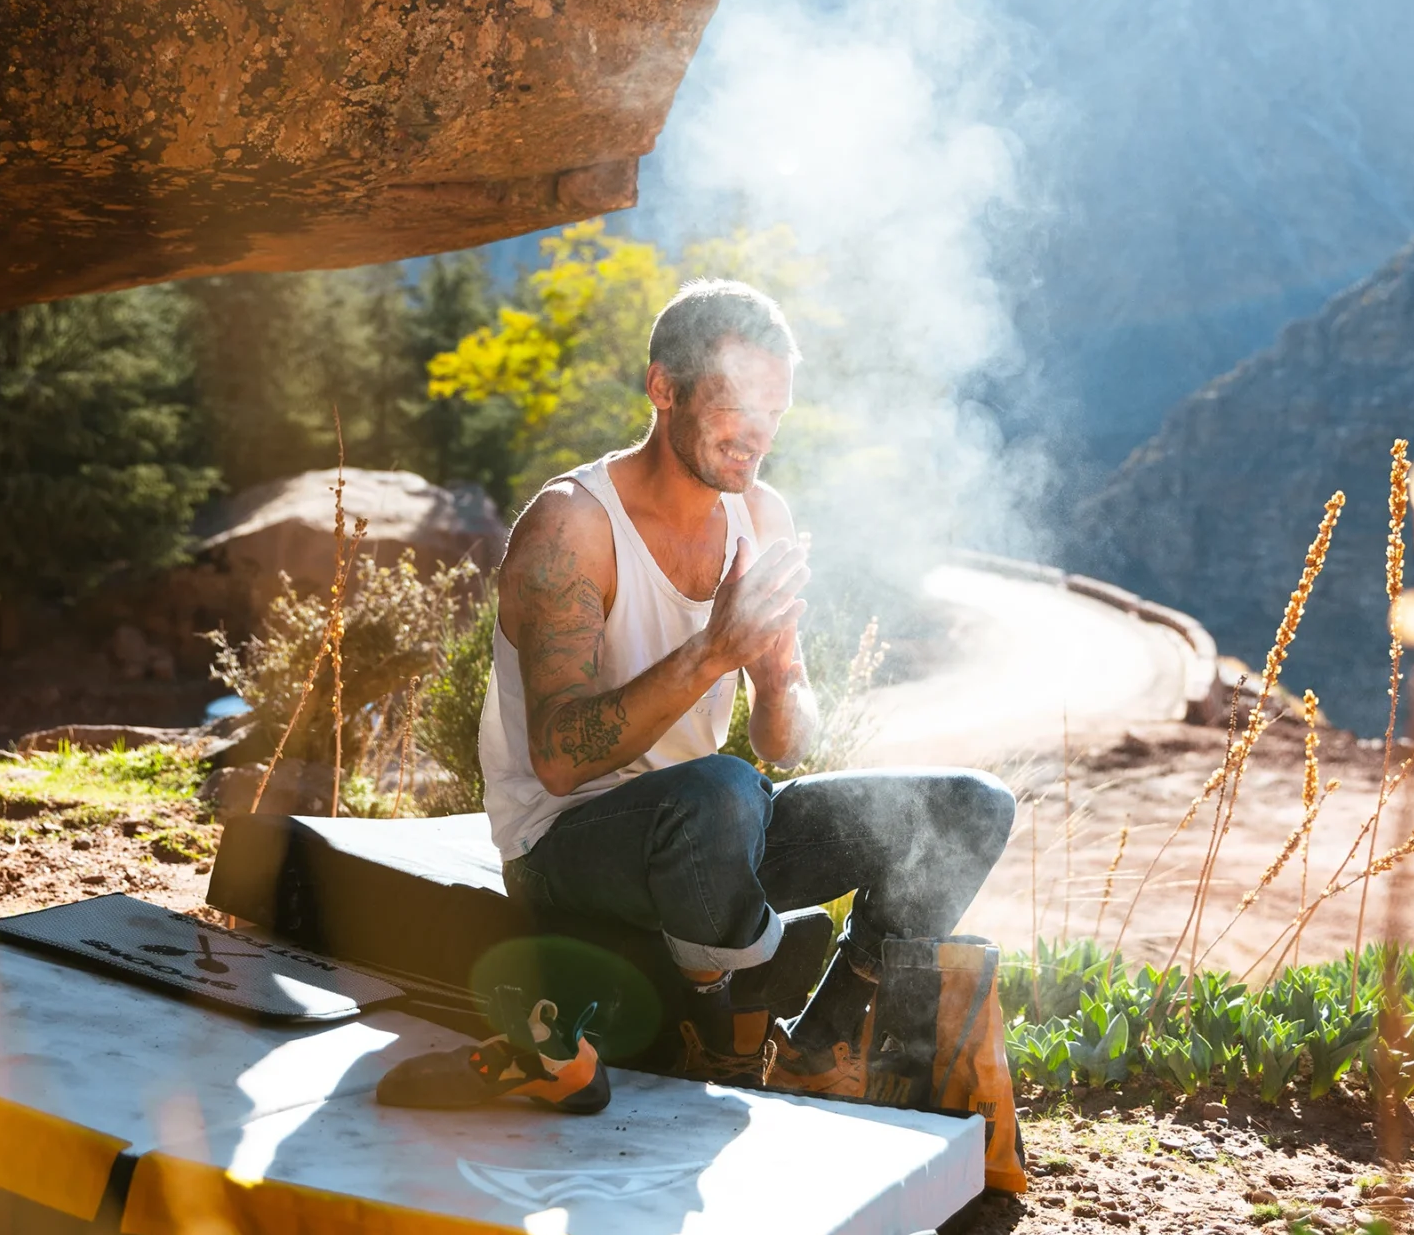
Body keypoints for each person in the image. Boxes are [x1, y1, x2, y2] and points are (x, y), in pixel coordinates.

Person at [381, 276, 1015, 1115]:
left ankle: (818, 1046)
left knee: (970, 806)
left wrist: (777, 669)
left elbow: (785, 744)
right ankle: (727, 1030)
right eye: (737, 401)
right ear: (662, 389)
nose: (758, 433)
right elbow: (559, 761)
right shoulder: (572, 525)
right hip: (570, 848)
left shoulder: (763, 515)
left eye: (776, 411)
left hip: (709, 843)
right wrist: (713, 652)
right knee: (721, 791)